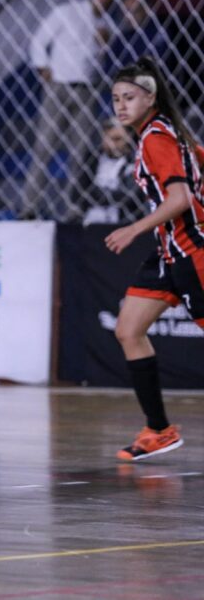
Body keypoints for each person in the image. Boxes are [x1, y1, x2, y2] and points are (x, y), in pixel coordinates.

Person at [105, 56, 204, 461]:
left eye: (129, 97)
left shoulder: (155, 138)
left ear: (151, 97)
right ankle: (159, 430)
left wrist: (133, 229)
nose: (121, 106)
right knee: (129, 329)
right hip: (169, 253)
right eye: (115, 99)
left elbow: (180, 199)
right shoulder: (169, 133)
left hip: (191, 253)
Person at [21, 0, 116, 220]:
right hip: (60, 87)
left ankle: (73, 206)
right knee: (45, 147)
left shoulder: (108, 25)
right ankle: (29, 207)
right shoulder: (66, 11)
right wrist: (43, 67)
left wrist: (105, 42)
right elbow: (38, 40)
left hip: (87, 90)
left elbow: (102, 61)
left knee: (81, 151)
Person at [81, 117, 142, 225]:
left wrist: (98, 194)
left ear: (128, 138)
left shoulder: (135, 161)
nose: (111, 145)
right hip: (90, 218)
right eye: (107, 139)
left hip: (123, 221)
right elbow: (79, 191)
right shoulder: (93, 158)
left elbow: (130, 196)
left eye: (117, 139)